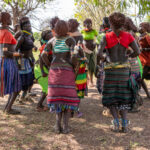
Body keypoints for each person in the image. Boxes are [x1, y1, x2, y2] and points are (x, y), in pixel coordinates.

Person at [97, 12, 140, 133]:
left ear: (110, 23)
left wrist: (105, 58)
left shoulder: (106, 36)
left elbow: (99, 53)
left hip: (111, 70)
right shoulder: (128, 36)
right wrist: (127, 55)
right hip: (124, 70)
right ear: (123, 23)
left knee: (111, 96)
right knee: (124, 96)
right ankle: (125, 125)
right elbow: (137, 52)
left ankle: (116, 123)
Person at [42, 20, 80, 134]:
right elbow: (74, 56)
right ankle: (66, 127)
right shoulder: (70, 40)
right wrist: (75, 66)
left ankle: (57, 126)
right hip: (67, 71)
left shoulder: (52, 40)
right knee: (67, 99)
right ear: (66, 29)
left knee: (57, 99)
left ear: (56, 29)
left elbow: (43, 54)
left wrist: (49, 65)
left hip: (54, 71)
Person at [0, 12, 22, 114]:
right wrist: (17, 54)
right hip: (8, 61)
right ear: (5, 20)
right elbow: (5, 51)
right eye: (9, 18)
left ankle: (8, 108)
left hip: (3, 61)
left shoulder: (3, 31)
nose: (11, 19)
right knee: (16, 86)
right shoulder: (7, 33)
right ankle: (8, 109)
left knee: (11, 84)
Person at [68, 19, 87, 117]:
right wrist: (84, 58)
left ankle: (71, 108)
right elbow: (79, 49)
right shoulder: (79, 35)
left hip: (68, 64)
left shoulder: (65, 35)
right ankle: (75, 108)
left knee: (71, 86)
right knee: (78, 87)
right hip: (78, 63)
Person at [123, 17, 143, 112]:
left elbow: (130, 49)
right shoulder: (134, 34)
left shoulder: (127, 34)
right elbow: (139, 49)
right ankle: (136, 101)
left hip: (130, 61)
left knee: (130, 83)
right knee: (133, 83)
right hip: (135, 61)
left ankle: (134, 105)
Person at [15, 16, 35, 103]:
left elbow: (30, 47)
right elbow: (15, 49)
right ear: (23, 27)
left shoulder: (29, 36)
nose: (29, 27)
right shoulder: (21, 36)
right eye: (27, 26)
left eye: (30, 25)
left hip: (28, 60)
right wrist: (18, 60)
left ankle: (24, 96)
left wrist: (33, 55)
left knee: (29, 79)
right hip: (21, 61)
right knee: (22, 79)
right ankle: (18, 97)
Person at [34, 30, 53, 111]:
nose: (52, 35)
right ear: (46, 38)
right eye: (50, 35)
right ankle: (39, 106)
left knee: (46, 87)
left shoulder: (52, 45)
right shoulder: (45, 46)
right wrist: (42, 71)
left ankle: (43, 104)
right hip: (40, 69)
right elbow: (41, 59)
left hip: (44, 69)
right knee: (47, 88)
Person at [81, 18, 98, 87]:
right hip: (85, 50)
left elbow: (99, 38)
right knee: (85, 65)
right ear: (84, 25)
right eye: (86, 24)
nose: (88, 25)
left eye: (89, 23)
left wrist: (95, 43)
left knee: (92, 65)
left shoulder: (94, 31)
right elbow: (80, 40)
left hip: (93, 50)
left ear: (91, 24)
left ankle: (91, 81)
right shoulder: (82, 31)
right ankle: (86, 81)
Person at [138, 22, 150, 98]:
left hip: (147, 60)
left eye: (141, 26)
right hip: (140, 60)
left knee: (140, 78)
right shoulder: (139, 36)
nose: (139, 28)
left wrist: (144, 49)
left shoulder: (147, 37)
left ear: (145, 28)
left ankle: (135, 96)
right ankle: (148, 95)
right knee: (140, 79)